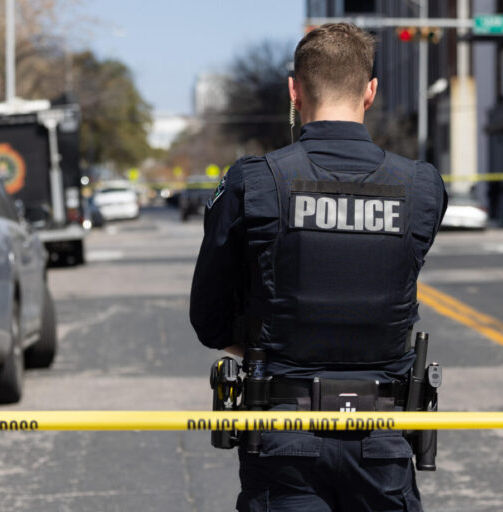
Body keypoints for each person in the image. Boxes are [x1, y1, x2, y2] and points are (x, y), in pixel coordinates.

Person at [190, 23, 447, 512]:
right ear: (370, 91)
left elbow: (209, 318)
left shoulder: (255, 181)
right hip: (383, 440)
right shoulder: (422, 186)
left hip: (283, 438)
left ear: (293, 89)